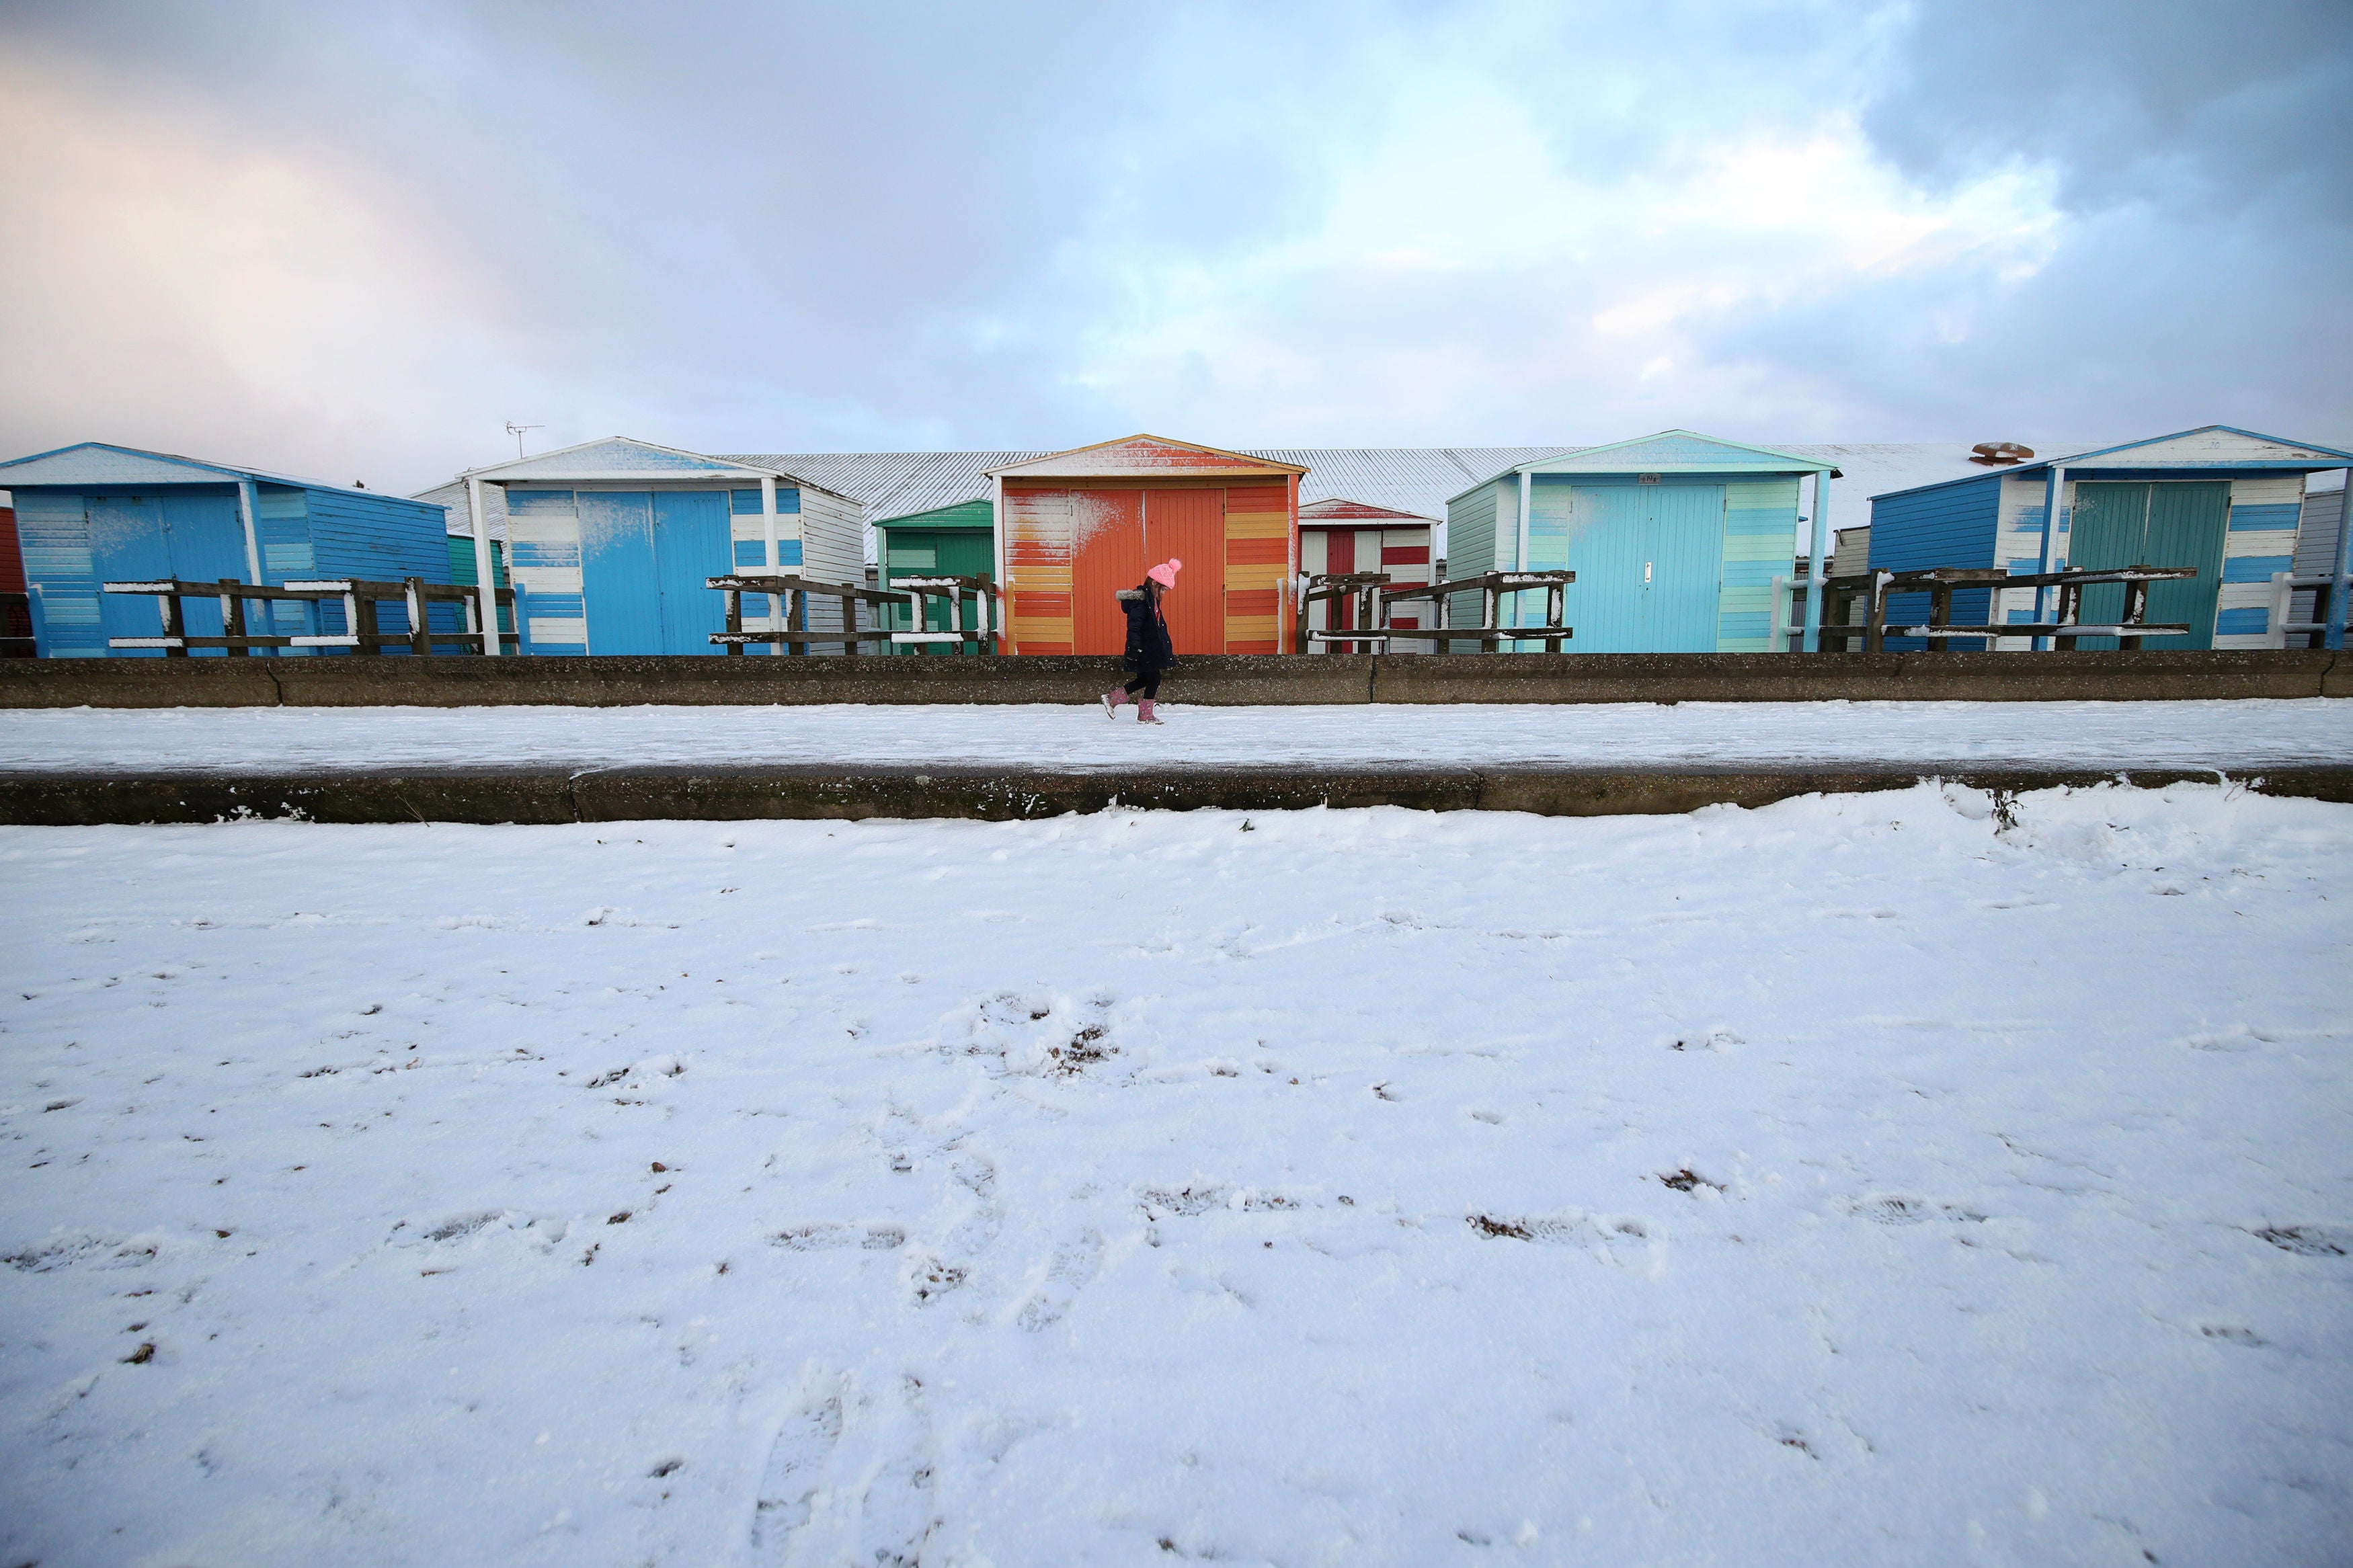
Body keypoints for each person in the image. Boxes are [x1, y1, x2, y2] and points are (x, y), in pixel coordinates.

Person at [1103, 559, 1181, 724]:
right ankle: (1144, 715)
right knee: (1154, 678)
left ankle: (1112, 699)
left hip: (1148, 648)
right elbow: (1135, 627)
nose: (1164, 593)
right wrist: (1135, 648)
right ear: (1154, 583)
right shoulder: (1141, 603)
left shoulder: (1152, 601)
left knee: (1145, 679)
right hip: (1144, 649)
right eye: (1163, 589)